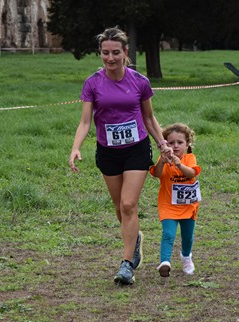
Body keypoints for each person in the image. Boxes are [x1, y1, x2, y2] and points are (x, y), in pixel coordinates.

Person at [69, 26, 173, 285]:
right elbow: (85, 122)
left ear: (126, 52)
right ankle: (135, 239)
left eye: (116, 52)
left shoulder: (140, 82)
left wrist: (162, 143)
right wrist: (75, 147)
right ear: (100, 53)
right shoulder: (92, 83)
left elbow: (148, 117)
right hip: (108, 152)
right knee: (119, 208)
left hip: (137, 148)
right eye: (105, 53)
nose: (110, 58)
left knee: (128, 204)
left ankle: (127, 264)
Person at [149, 123, 201, 277]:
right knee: (168, 234)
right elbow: (157, 174)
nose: (175, 146)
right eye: (171, 143)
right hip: (168, 205)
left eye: (180, 143)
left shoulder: (189, 158)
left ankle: (186, 257)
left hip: (188, 205)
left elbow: (191, 173)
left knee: (187, 236)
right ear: (165, 144)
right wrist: (162, 162)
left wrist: (179, 165)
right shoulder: (163, 159)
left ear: (187, 144)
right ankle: (165, 262)